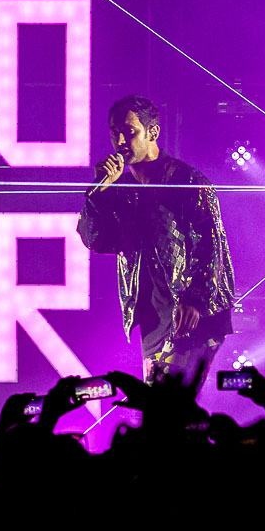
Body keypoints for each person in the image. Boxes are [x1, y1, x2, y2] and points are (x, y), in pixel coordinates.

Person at [78, 95, 235, 382]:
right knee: (158, 403)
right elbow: (97, 241)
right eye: (115, 132)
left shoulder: (186, 181)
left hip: (194, 314)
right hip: (154, 318)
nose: (120, 141)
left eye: (129, 131)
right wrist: (98, 194)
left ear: (153, 132)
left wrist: (195, 298)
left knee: (167, 399)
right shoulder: (122, 190)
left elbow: (211, 245)